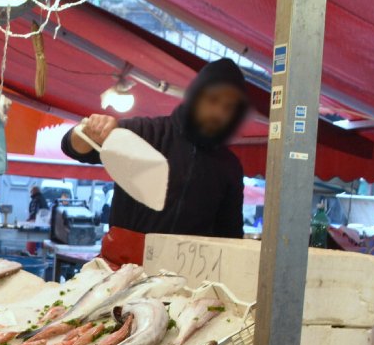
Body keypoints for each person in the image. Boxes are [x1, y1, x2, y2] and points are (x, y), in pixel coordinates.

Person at [63, 57, 249, 267]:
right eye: (213, 100)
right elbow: (72, 147)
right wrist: (88, 131)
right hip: (120, 270)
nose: (219, 113)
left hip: (185, 280)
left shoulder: (229, 166)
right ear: (196, 97)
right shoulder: (145, 133)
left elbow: (231, 235)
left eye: (229, 107)